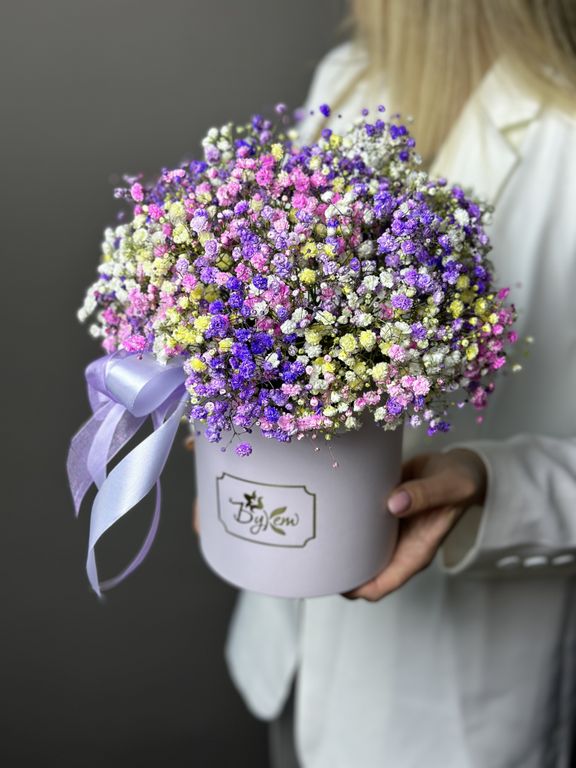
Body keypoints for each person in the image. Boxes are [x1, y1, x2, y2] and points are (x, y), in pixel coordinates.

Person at [194, 2, 576, 765]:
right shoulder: (350, 79)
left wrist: (490, 484)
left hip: (451, 708)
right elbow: (271, 313)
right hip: (286, 644)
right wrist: (218, 419)